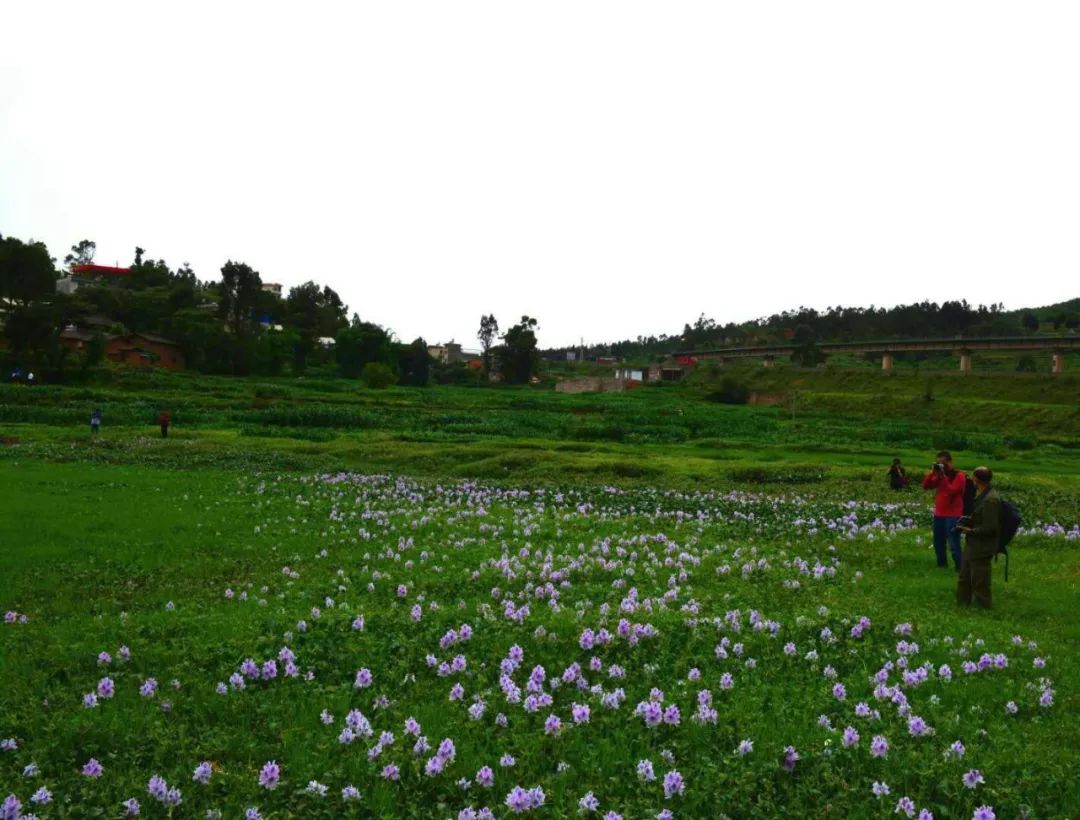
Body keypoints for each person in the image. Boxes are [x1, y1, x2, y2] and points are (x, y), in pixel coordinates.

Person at [955, 466, 1000, 609]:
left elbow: (990, 527)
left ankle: (984, 608)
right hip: (973, 544)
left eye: (973, 477)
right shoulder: (982, 496)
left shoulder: (990, 500)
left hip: (982, 545)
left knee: (980, 579)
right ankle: (962, 605)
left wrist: (970, 531)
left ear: (977, 479)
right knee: (964, 577)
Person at [921, 450, 966, 570]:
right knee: (938, 542)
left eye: (944, 464)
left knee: (953, 543)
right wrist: (932, 472)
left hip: (953, 514)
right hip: (939, 513)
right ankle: (942, 565)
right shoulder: (939, 476)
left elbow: (952, 490)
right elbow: (925, 486)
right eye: (939, 464)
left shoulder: (959, 475)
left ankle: (960, 567)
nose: (942, 466)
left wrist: (942, 477)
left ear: (950, 462)